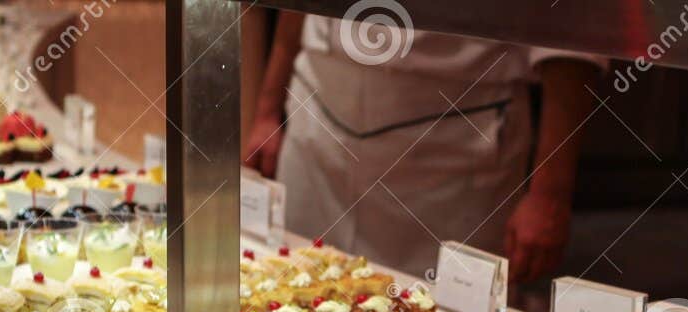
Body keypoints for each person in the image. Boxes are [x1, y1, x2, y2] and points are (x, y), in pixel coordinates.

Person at [245, 12, 601, 282]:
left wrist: (550, 194)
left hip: (454, 148)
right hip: (317, 126)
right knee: (294, 293)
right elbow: (294, 9)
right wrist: (267, 109)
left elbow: (572, 41)